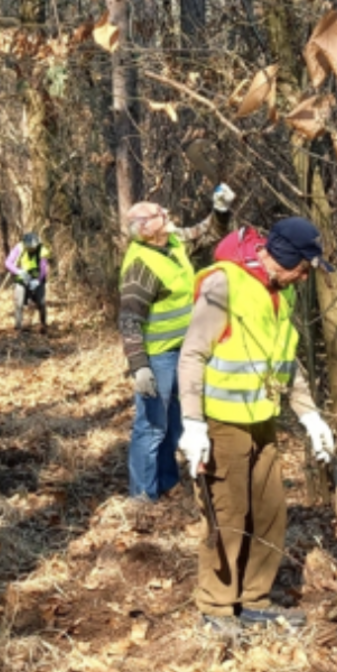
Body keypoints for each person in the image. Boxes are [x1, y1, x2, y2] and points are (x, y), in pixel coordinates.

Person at [177, 216, 336, 634]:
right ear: (282, 256)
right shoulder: (223, 284)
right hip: (221, 423)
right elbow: (192, 354)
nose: (303, 277)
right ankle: (216, 608)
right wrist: (192, 423)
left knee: (269, 514)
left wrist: (310, 415)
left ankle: (253, 601)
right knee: (227, 515)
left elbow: (287, 363)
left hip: (262, 421)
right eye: (301, 267)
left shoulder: (280, 296)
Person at [119, 183, 236, 503]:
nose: (167, 214)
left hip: (184, 350)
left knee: (174, 422)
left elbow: (206, 233)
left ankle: (167, 482)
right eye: (159, 213)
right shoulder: (140, 267)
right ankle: (142, 497)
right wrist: (139, 367)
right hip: (158, 357)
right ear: (143, 228)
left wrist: (221, 209)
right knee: (152, 426)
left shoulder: (171, 240)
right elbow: (129, 320)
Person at [5, 231, 51, 333]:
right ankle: (18, 326)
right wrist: (18, 271)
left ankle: (43, 324)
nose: (31, 249)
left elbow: (43, 269)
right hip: (22, 276)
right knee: (19, 302)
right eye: (29, 247)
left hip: (37, 277)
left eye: (33, 248)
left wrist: (38, 281)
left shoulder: (42, 250)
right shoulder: (19, 247)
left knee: (41, 302)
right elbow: (8, 262)